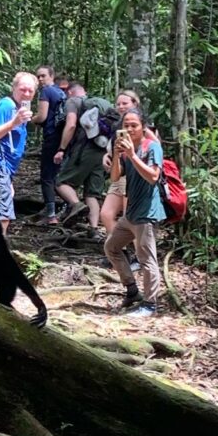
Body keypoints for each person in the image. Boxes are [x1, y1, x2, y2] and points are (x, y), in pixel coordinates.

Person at [103, 107, 165, 317]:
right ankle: (132, 290)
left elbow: (153, 177)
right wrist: (117, 154)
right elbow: (115, 178)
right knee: (111, 247)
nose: (129, 129)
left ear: (143, 127)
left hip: (146, 212)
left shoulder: (152, 147)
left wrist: (132, 155)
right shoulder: (126, 149)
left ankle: (150, 304)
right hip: (130, 213)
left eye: (134, 125)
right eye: (126, 125)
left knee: (147, 258)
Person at [0, 72, 37, 235]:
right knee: (3, 212)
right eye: (22, 89)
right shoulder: (6, 106)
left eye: (30, 91)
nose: (26, 94)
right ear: (14, 89)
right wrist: (14, 122)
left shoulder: (20, 110)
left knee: (0, 205)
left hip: (5, 168)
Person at [53, 83, 108, 239]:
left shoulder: (73, 101)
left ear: (71, 92)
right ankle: (94, 229)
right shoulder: (100, 104)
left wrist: (61, 149)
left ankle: (77, 205)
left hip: (85, 149)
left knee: (61, 183)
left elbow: (70, 124)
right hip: (103, 151)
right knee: (92, 193)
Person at [32, 65, 66, 225]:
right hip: (62, 140)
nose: (40, 79)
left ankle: (51, 214)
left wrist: (29, 119)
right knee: (57, 174)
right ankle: (65, 208)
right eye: (38, 76)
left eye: (43, 76)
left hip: (52, 137)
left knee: (47, 176)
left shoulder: (46, 92)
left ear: (51, 76)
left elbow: (42, 116)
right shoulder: (61, 92)